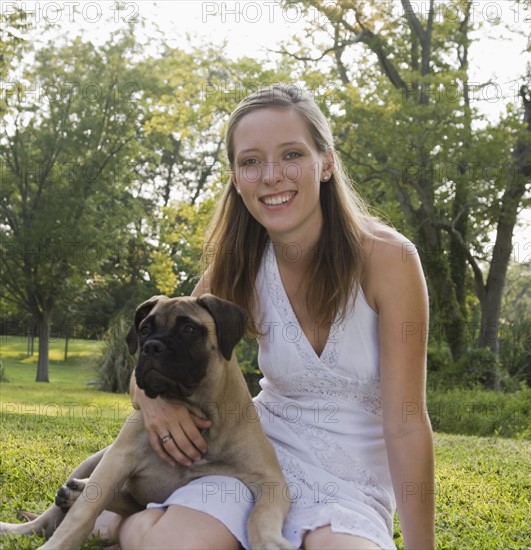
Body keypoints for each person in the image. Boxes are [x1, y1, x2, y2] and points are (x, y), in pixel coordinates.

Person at [113, 83, 435, 549]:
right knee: (176, 543)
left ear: (325, 162)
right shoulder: (237, 265)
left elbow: (406, 422)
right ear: (236, 177)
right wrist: (151, 400)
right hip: (253, 460)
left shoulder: (389, 260)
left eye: (290, 155)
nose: (271, 176)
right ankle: (128, 523)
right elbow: (165, 343)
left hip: (348, 482)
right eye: (250, 161)